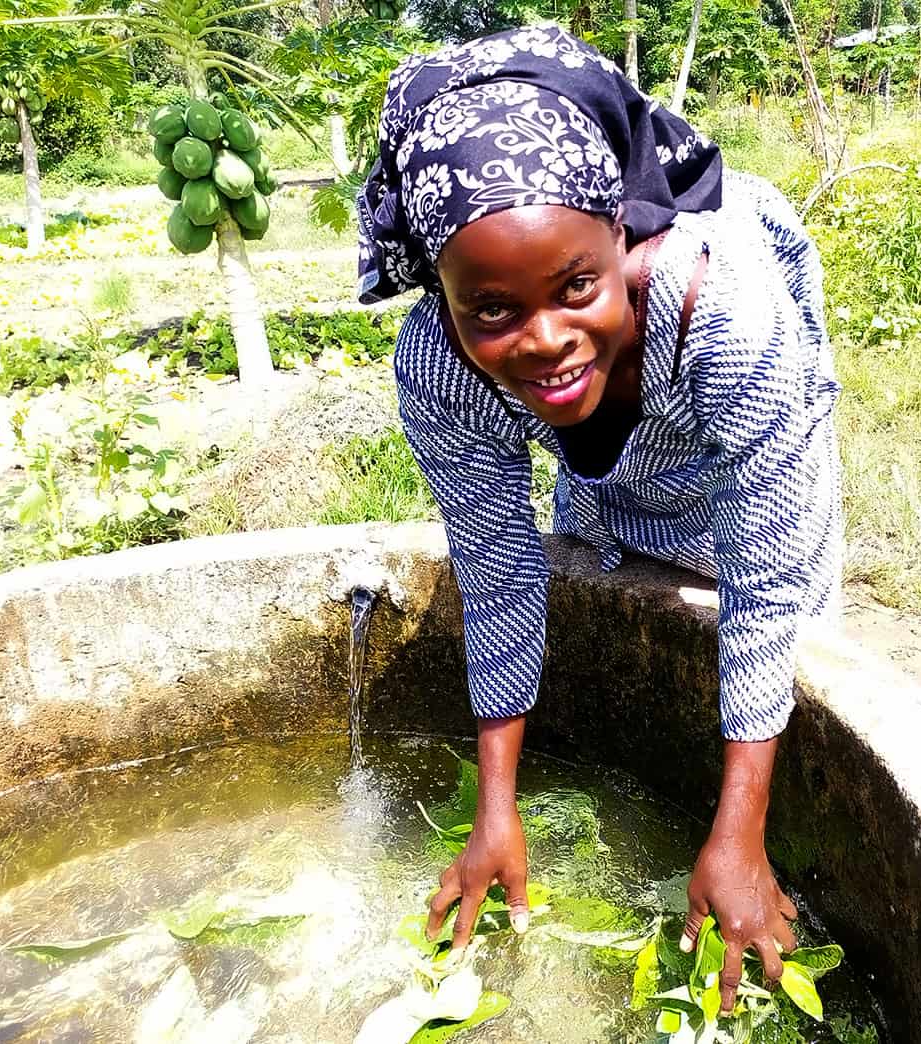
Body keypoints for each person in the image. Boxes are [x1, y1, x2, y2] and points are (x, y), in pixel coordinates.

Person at [356, 24, 842, 1017]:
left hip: (748, 458)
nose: (544, 342)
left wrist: (737, 833)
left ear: (621, 236)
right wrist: (495, 812)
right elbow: (498, 575)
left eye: (575, 286)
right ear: (440, 297)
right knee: (608, 532)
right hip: (617, 481)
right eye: (489, 309)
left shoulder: (727, 310)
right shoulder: (441, 371)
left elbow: (765, 579)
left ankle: (760, 845)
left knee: (780, 674)